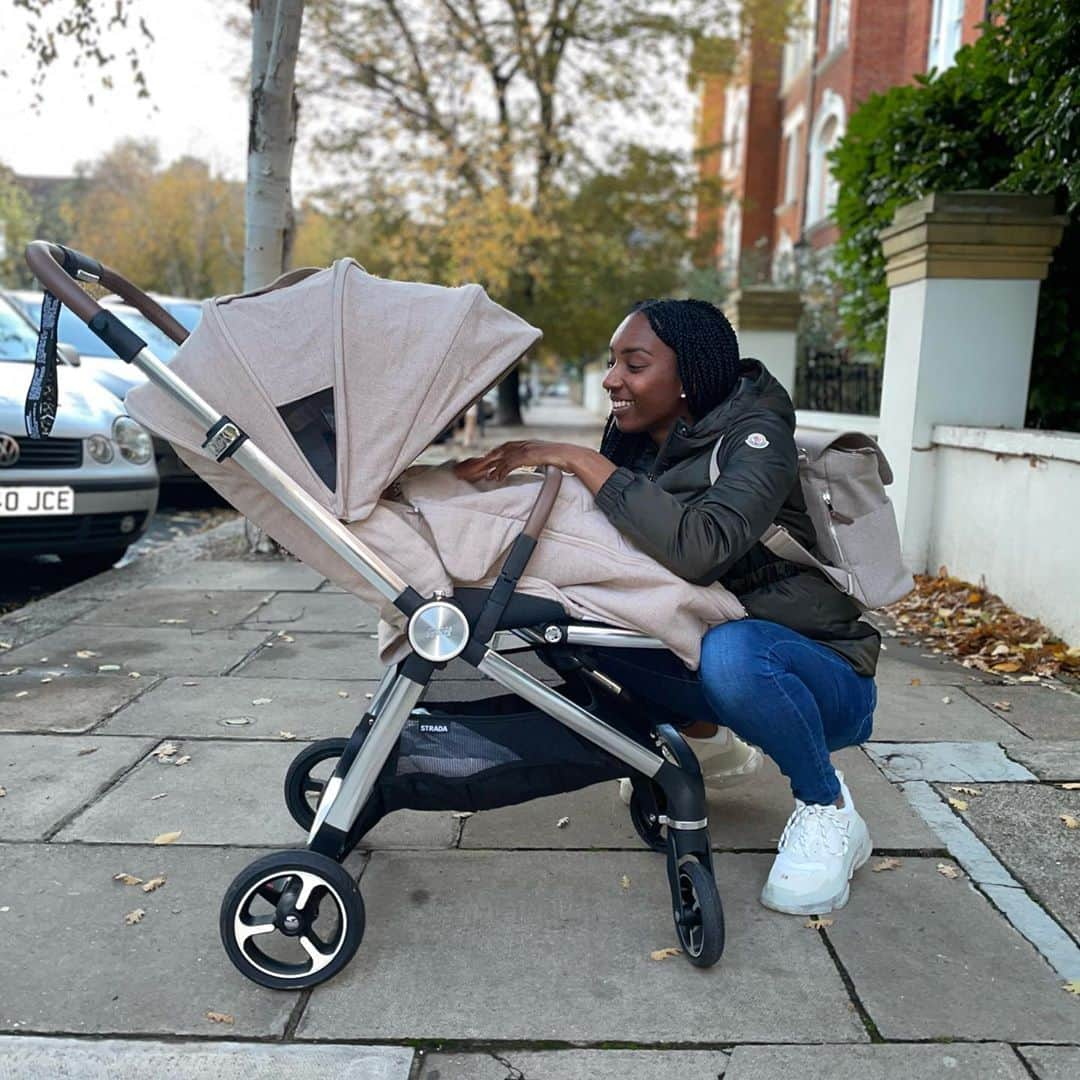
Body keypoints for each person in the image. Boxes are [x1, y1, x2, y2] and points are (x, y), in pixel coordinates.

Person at [453, 299, 879, 915]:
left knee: (733, 655)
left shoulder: (757, 439)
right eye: (610, 363)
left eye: (635, 363)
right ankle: (707, 743)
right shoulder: (648, 443)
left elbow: (700, 549)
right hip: (719, 653)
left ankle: (828, 809)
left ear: (690, 378)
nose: (611, 379)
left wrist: (578, 458)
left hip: (819, 673)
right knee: (565, 627)